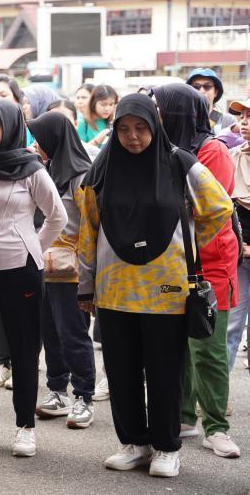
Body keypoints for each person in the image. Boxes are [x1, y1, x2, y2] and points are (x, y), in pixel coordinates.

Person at [79, 93, 232, 478]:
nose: (132, 136)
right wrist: (85, 286)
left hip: (167, 291)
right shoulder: (102, 169)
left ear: (155, 126)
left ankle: (166, 447)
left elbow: (219, 207)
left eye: (141, 128)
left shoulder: (180, 162)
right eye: (124, 129)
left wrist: (188, 245)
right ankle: (134, 443)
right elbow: (88, 231)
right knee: (121, 371)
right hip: (115, 290)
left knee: (165, 372)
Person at [0, 97, 67, 457]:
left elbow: (57, 216)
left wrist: (31, 246)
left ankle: (25, 427)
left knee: (23, 348)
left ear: (12, 127)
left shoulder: (31, 169)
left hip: (20, 269)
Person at [155, 83, 241, 458]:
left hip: (211, 263)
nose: (154, 115)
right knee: (180, 347)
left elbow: (211, 210)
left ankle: (217, 427)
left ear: (176, 113)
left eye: (159, 109)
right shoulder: (161, 149)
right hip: (173, 261)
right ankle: (185, 416)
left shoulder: (212, 150)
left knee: (208, 347)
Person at [26, 111, 97, 429]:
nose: (35, 145)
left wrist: (88, 277)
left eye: (39, 139)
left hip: (72, 271)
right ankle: (58, 390)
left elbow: (91, 227)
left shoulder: (81, 176)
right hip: (45, 267)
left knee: (73, 333)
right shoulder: (48, 170)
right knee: (50, 331)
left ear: (55, 139)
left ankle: (84, 396)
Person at [228, 98, 250, 376]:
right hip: (239, 254)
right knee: (232, 325)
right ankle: (216, 394)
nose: (244, 122)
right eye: (241, 116)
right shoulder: (232, 156)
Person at [187, 68, 237, 135]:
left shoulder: (228, 121)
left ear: (215, 92)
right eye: (196, 87)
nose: (201, 91)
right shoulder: (184, 120)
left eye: (207, 86)